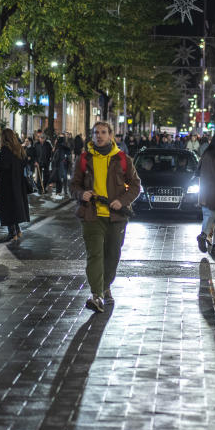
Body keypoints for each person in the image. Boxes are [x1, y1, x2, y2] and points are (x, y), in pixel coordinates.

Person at [71, 121, 141, 312]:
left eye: (103, 132)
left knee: (112, 256)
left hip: (116, 217)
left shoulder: (123, 159)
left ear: (111, 135)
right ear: (92, 136)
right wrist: (80, 194)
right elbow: (74, 184)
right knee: (95, 255)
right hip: (91, 214)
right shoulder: (84, 158)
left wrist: (123, 201)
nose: (99, 136)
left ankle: (105, 286)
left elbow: (136, 186)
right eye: (96, 133)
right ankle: (96, 295)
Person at [0, 129, 31, 241]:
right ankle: (18, 230)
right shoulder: (19, 149)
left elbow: (5, 165)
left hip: (8, 184)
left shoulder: (5, 150)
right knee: (15, 206)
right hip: (18, 183)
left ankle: (12, 232)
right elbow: (24, 162)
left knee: (8, 207)